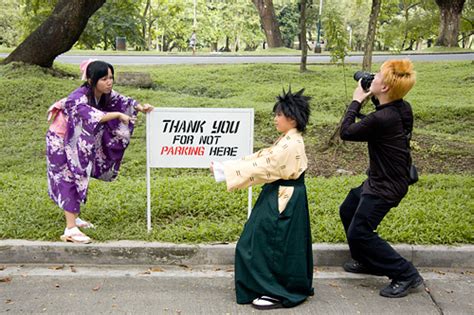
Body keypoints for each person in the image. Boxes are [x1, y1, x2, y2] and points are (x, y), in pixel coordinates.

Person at [210, 88, 314, 310]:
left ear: (292, 118)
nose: (275, 118)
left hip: (283, 197)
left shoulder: (292, 143)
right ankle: (275, 285)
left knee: (266, 243)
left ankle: (276, 291)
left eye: (279, 115)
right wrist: (227, 167)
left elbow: (266, 166)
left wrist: (226, 170)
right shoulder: (289, 138)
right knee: (272, 242)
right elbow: (264, 157)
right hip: (280, 194)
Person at [339, 59, 423, 298]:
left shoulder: (382, 119)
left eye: (376, 77)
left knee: (360, 232)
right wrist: (373, 91)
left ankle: (406, 273)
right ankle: (368, 260)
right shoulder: (401, 107)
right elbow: (381, 109)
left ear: (385, 88)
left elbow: (346, 132)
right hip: (382, 178)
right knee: (348, 209)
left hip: (386, 186)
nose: (371, 78)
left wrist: (357, 99)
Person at [46, 60, 153, 243]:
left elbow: (121, 100)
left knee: (80, 174)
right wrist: (118, 115)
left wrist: (140, 107)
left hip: (74, 140)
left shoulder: (103, 93)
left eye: (111, 78)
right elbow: (92, 116)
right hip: (60, 140)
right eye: (104, 79)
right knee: (68, 177)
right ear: (91, 79)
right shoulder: (77, 97)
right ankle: (70, 228)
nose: (109, 82)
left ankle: (75, 218)